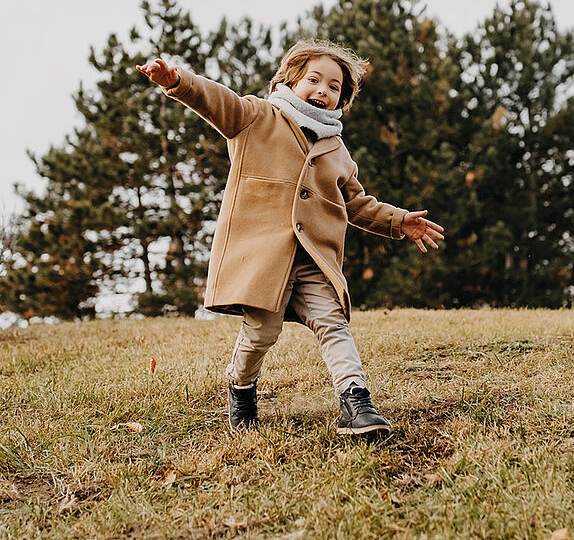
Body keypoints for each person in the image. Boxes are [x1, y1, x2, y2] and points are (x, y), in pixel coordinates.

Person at [136, 40, 445, 436]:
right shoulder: (256, 117)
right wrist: (176, 81)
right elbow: (215, 99)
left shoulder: (338, 152)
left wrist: (399, 221)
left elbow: (357, 205)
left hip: (314, 257)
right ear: (289, 80)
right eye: (313, 79)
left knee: (333, 322)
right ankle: (241, 385)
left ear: (341, 99)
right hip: (264, 259)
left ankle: (356, 402)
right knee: (262, 333)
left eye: (334, 87)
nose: (323, 90)